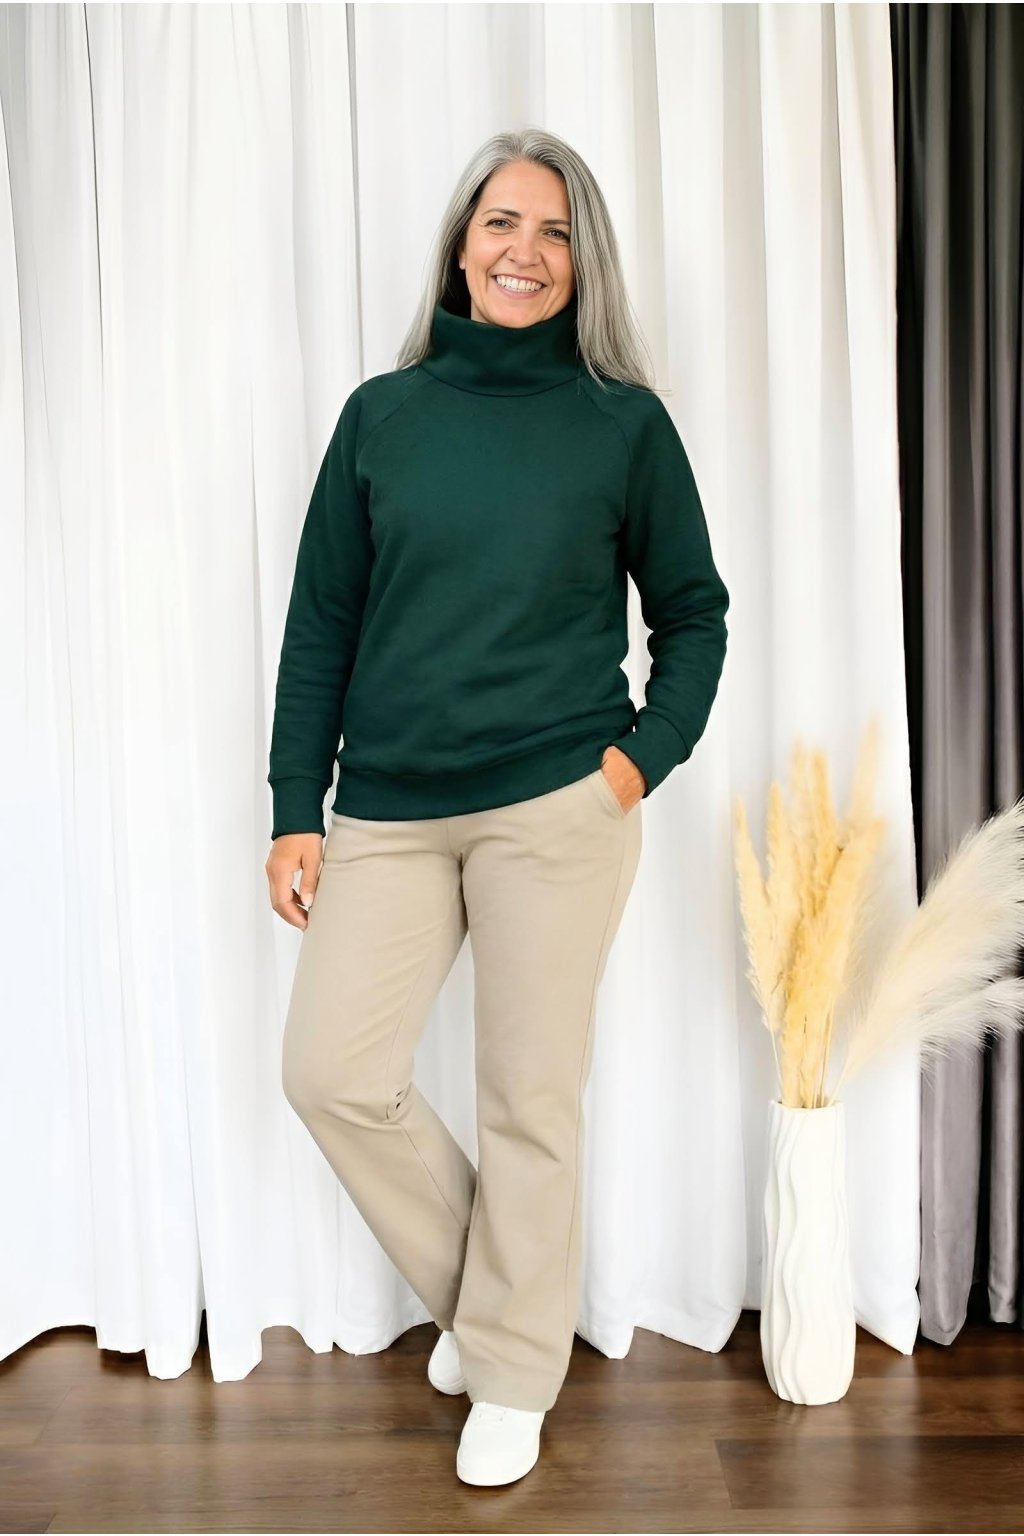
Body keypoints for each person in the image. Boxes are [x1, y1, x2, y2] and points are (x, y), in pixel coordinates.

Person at [264, 127, 729, 1487]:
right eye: (502, 224)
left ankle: (514, 1375)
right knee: (331, 1072)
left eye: (555, 231)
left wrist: (637, 763)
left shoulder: (624, 426)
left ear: (584, 263)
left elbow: (693, 616)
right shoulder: (382, 417)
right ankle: (496, 1311)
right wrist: (298, 806)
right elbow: (321, 624)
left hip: (557, 805)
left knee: (530, 1100)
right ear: (460, 248)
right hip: (390, 808)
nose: (526, 251)